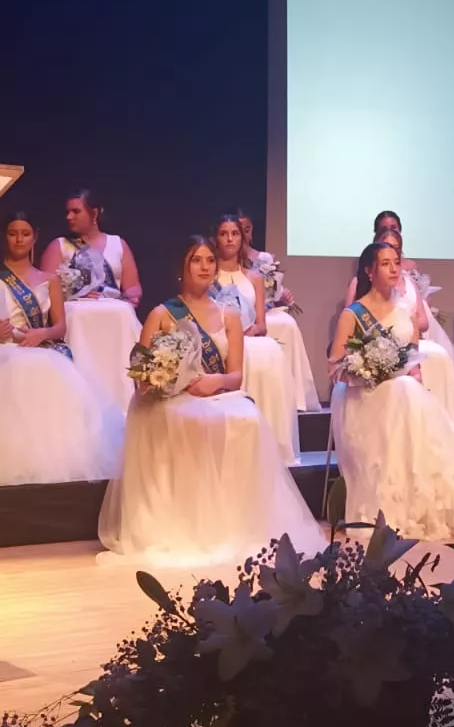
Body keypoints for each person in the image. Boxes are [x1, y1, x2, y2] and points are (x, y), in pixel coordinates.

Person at [97, 237, 319, 570]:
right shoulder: (161, 314)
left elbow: (236, 377)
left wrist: (215, 381)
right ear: (181, 269)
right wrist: (171, 381)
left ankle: (236, 520)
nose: (204, 266)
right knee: (182, 417)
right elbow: (140, 379)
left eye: (209, 260)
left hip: (217, 395)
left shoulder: (229, 316)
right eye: (196, 260)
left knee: (249, 419)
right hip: (171, 401)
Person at [327, 243, 454, 541]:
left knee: (411, 393)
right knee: (403, 392)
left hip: (404, 392)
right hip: (364, 395)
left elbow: (414, 359)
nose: (395, 269)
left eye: (396, 262)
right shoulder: (353, 314)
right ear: (369, 270)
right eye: (385, 263)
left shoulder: (405, 310)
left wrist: (412, 378)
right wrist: (367, 370)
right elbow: (335, 367)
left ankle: (421, 505)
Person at [0, 215, 121, 486]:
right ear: (4, 236)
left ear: (35, 237)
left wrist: (41, 333)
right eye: (13, 233)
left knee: (41, 372)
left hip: (34, 347)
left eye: (25, 233)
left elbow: (60, 327)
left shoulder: (49, 279)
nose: (19, 239)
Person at [346, 228, 454, 421]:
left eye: (396, 254)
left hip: (404, 352)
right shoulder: (357, 297)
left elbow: (419, 325)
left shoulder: (409, 285)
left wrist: (412, 368)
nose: (392, 265)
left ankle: (441, 419)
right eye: (385, 259)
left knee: (437, 358)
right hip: (371, 363)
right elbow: (347, 340)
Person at [213, 216, 320, 415]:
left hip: (249, 340)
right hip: (220, 340)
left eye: (235, 233)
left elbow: (262, 325)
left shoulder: (255, 278)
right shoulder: (210, 276)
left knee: (268, 353)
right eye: (223, 234)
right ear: (216, 239)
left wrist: (252, 330)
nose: (229, 239)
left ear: (242, 239)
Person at [39, 190, 142, 306]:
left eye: (76, 212)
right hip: (75, 314)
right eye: (67, 212)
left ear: (94, 214)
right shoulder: (58, 245)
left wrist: (132, 296)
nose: (69, 217)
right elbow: (45, 290)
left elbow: (132, 287)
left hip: (114, 312)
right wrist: (74, 294)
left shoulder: (118, 243)